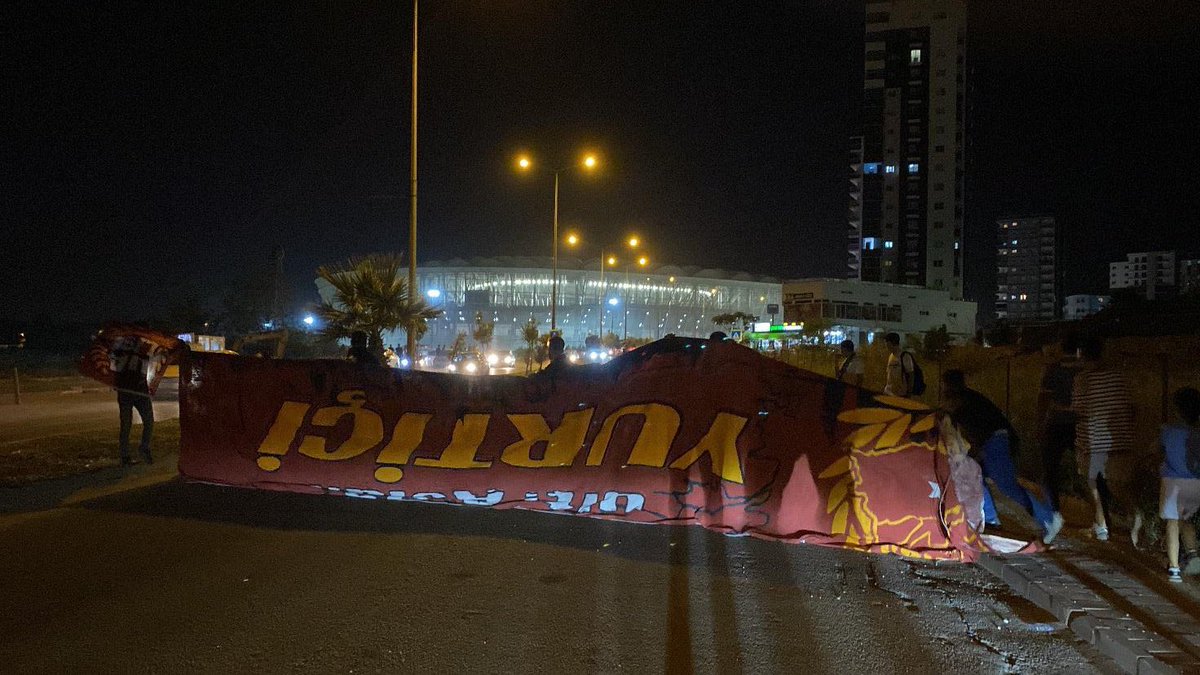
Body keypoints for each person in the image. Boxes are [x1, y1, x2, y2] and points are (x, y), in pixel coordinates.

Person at [942, 369, 1064, 544]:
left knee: (1007, 486)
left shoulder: (962, 403)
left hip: (995, 441)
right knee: (975, 477)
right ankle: (991, 521)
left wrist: (975, 454)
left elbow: (975, 433)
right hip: (993, 440)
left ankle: (1048, 517)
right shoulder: (968, 399)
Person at [1072, 334, 1134, 542]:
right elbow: (1130, 407)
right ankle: (1136, 517)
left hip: (1093, 440)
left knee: (1092, 484)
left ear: (1081, 354)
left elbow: (1079, 410)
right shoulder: (1118, 375)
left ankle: (1101, 527)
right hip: (1120, 438)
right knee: (1118, 485)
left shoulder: (1083, 379)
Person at [1037, 332, 1082, 512]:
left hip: (1056, 424)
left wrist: (1040, 424)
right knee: (1089, 473)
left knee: (1050, 470)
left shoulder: (1052, 370)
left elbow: (1043, 400)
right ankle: (1101, 516)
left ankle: (1054, 512)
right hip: (1080, 426)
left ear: (1062, 348)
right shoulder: (1084, 370)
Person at [1160, 387, 1200, 582]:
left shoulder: (1168, 431)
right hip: (1195, 483)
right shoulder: (1197, 434)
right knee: (1187, 519)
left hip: (1173, 482)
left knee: (1172, 523)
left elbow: (1159, 448)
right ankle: (1193, 555)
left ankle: (1174, 567)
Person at [111, 335, 155, 465]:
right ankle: (137, 450)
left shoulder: (123, 346)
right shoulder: (133, 347)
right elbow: (141, 371)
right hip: (133, 391)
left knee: (130, 423)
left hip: (131, 391)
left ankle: (130, 453)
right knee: (141, 422)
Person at [883, 332, 916, 397]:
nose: (885, 346)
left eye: (886, 343)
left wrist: (909, 393)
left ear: (890, 343)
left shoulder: (905, 356)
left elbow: (911, 375)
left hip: (900, 394)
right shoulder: (891, 356)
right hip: (889, 392)